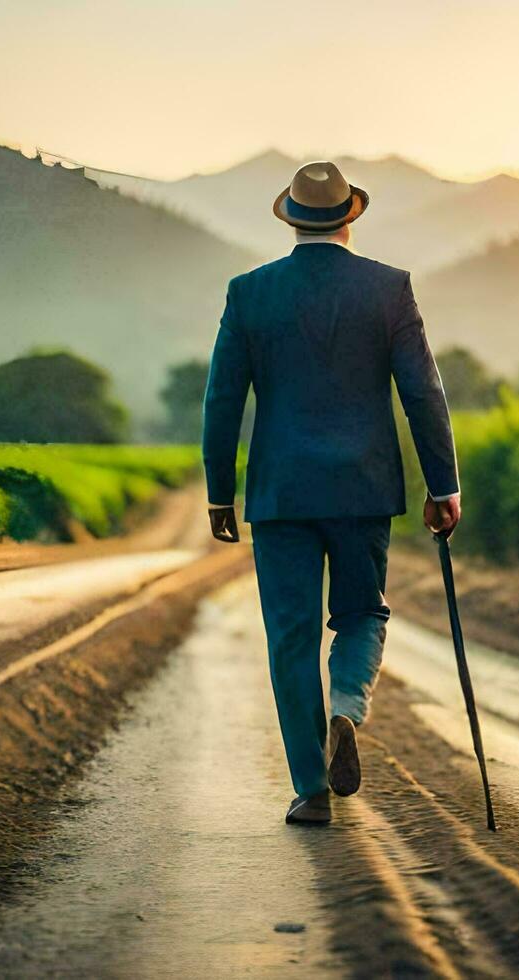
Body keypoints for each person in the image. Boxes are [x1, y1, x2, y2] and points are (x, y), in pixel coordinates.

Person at [202, 160, 461, 825]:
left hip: (281, 493)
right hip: (363, 487)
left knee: (289, 638)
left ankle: (311, 789)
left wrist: (219, 493)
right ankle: (347, 706)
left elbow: (222, 399)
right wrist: (443, 485)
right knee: (361, 613)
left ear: (291, 217)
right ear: (351, 217)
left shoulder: (249, 293)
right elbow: (423, 393)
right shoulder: (389, 289)